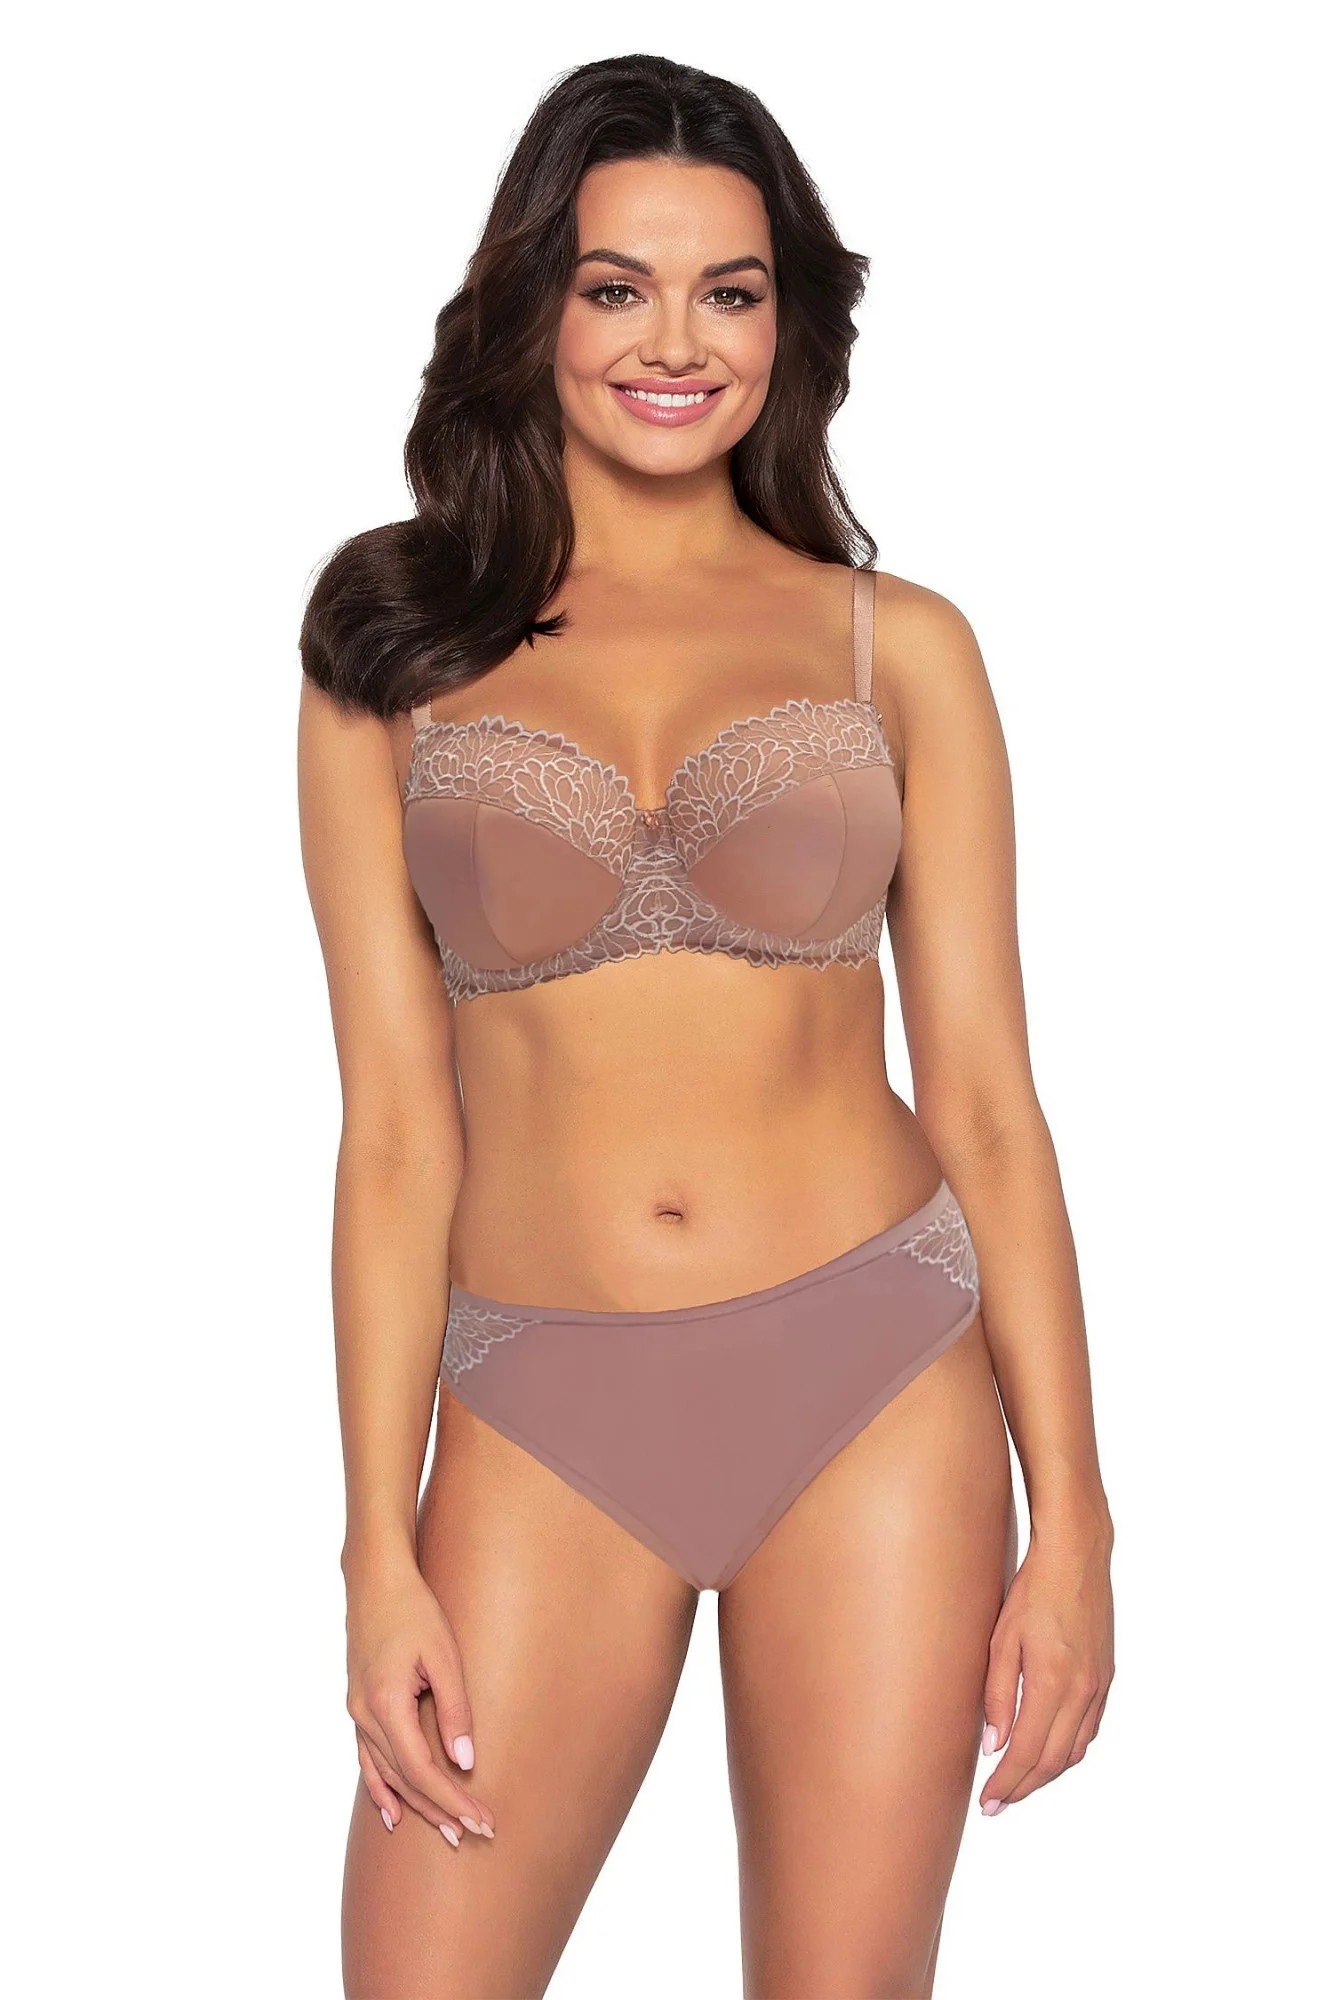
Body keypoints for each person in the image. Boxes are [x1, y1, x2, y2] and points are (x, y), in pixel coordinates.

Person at [298, 52, 1114, 2000]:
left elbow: (987, 1104)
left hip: (875, 1373)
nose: (676, 342)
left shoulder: (896, 644)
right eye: (618, 287)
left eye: (728, 292)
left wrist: (1076, 1517)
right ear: (533, 306)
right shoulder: (391, 650)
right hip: (540, 1402)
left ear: (785, 324)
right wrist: (374, 1548)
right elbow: (395, 1133)